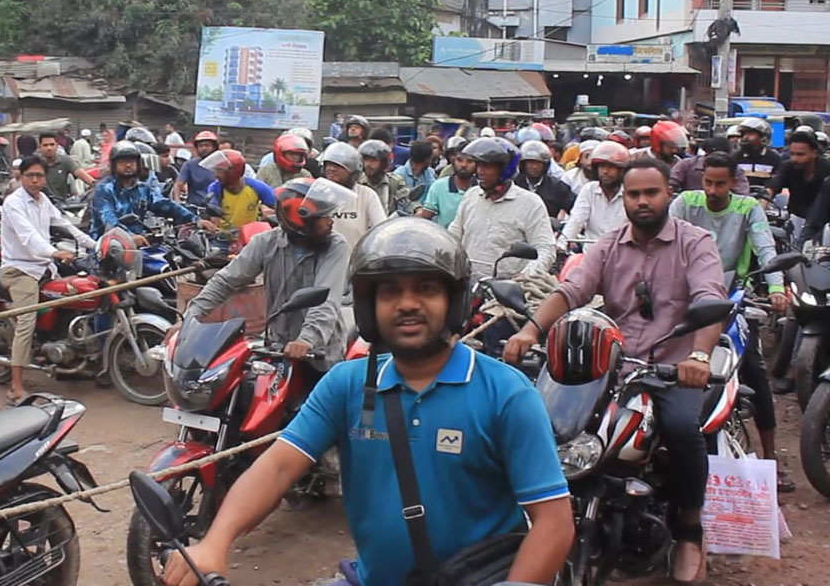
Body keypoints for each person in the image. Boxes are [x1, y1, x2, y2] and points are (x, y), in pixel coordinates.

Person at [164, 217, 573, 586]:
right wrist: (216, 542)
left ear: (454, 300)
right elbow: (276, 467)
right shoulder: (346, 383)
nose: (408, 303)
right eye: (390, 291)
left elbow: (553, 523)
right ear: (368, 307)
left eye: (426, 289)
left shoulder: (506, 393)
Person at [505, 159, 727, 583]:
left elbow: (707, 298)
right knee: (551, 422)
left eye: (651, 193)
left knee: (682, 428)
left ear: (668, 196)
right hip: (613, 367)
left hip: (670, 368)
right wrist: (531, 332)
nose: (642, 201)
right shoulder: (608, 245)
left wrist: (697, 358)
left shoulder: (694, 242)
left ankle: (689, 530)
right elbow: (571, 290)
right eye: (633, 194)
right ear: (623, 199)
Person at [669, 151, 793, 491]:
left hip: (733, 298)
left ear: (733, 182)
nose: (712, 190)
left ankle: (771, 461)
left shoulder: (747, 208)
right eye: (708, 182)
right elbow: (666, 237)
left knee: (755, 371)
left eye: (720, 184)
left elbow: (766, 248)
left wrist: (778, 288)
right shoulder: (684, 202)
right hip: (686, 300)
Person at [183, 177, 353, 366]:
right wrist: (189, 318)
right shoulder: (265, 243)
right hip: (276, 347)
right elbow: (226, 280)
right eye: (323, 216)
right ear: (302, 221)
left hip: (320, 354)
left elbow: (326, 301)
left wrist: (307, 340)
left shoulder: (335, 246)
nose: (331, 222)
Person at [0, 154, 98, 402]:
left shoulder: (43, 201)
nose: (35, 180)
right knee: (26, 322)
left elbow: (66, 224)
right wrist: (55, 252)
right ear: (20, 177)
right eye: (30, 175)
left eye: (39, 175)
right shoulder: (13, 203)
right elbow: (29, 237)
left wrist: (96, 245)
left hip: (43, 266)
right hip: (20, 269)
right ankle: (16, 386)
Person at [446, 137, 554, 280]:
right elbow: (453, 235)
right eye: (478, 165)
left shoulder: (530, 203)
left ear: (504, 169)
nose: (480, 172)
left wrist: (525, 276)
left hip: (507, 290)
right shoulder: (471, 196)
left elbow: (545, 249)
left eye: (487, 166)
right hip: (467, 284)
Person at [93, 142, 210, 244]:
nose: (128, 165)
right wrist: (129, 236)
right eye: (123, 162)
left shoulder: (143, 189)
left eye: (132, 161)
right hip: (107, 247)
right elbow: (109, 219)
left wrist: (196, 220)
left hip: (139, 244)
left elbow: (164, 204)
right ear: (114, 165)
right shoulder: (105, 189)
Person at [764, 130, 830, 240]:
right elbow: (772, 188)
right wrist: (760, 210)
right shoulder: (788, 167)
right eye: (792, 154)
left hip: (826, 227)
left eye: (800, 154)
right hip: (795, 222)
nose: (794, 159)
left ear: (814, 153)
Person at [560, 141, 630, 251]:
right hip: (591, 256)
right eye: (602, 167)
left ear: (622, 170)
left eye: (611, 167)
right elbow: (577, 219)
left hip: (622, 255)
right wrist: (563, 242)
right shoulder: (589, 189)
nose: (605, 171)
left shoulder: (630, 192)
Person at [320, 142, 387, 253]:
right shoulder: (317, 193)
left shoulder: (367, 195)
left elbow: (381, 229)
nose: (331, 169)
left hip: (356, 261)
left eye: (338, 166)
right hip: (323, 260)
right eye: (328, 164)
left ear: (353, 171)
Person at [203, 150, 275, 230]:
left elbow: (274, 206)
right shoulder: (215, 188)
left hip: (251, 234)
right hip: (224, 236)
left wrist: (265, 209)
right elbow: (214, 215)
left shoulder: (257, 187)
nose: (216, 175)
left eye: (220, 172)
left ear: (232, 172)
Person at [417, 147, 476, 228]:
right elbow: (426, 216)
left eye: (469, 161)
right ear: (453, 161)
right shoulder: (438, 186)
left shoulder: (481, 190)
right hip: (445, 238)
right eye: (459, 160)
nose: (464, 165)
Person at [669, 136, 749, 195]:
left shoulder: (735, 170)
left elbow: (742, 194)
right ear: (706, 153)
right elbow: (670, 185)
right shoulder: (686, 165)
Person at [515, 141, 574, 219]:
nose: (534, 167)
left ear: (545, 165)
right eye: (530, 162)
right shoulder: (514, 184)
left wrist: (561, 216)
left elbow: (575, 208)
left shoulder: (558, 187)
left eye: (538, 163)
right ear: (523, 164)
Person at [358, 139, 410, 215]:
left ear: (384, 162)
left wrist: (417, 209)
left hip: (387, 224)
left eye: (373, 160)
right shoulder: (357, 182)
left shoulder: (394, 181)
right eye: (366, 159)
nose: (368, 164)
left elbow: (406, 199)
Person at [735, 117, 784, 190]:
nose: (745, 137)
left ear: (763, 137)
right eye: (743, 134)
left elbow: (779, 184)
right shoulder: (735, 157)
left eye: (750, 133)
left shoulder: (775, 159)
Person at [173, 131, 219, 207]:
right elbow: (178, 185)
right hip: (195, 207)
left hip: (217, 207)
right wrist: (177, 203)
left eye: (207, 145)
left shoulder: (221, 164)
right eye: (201, 146)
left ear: (214, 147)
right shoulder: (189, 165)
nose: (204, 148)